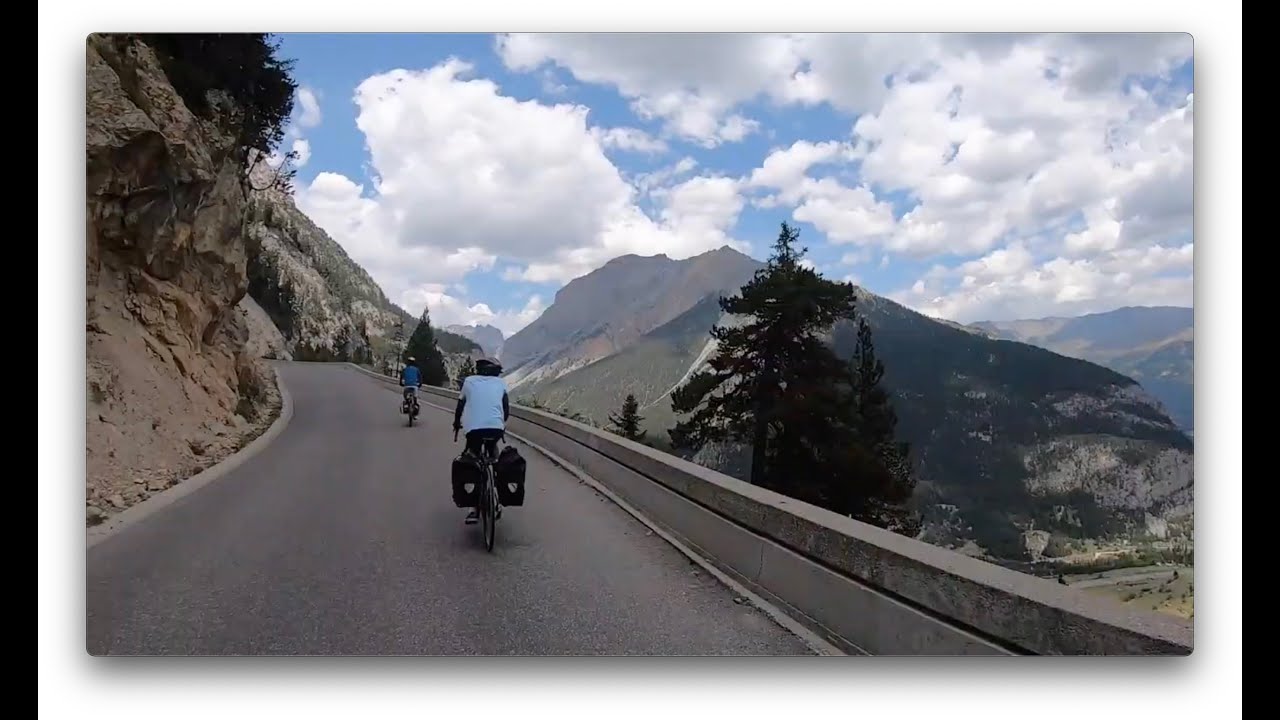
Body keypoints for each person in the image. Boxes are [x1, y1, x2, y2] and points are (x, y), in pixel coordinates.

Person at [453, 357, 509, 523]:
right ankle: (497, 496)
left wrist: (457, 423)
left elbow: (460, 406)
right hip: (496, 428)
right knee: (494, 455)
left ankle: (473, 507)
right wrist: (499, 423)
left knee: (472, 459)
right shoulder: (501, 383)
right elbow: (506, 409)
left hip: (474, 431)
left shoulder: (469, 382)